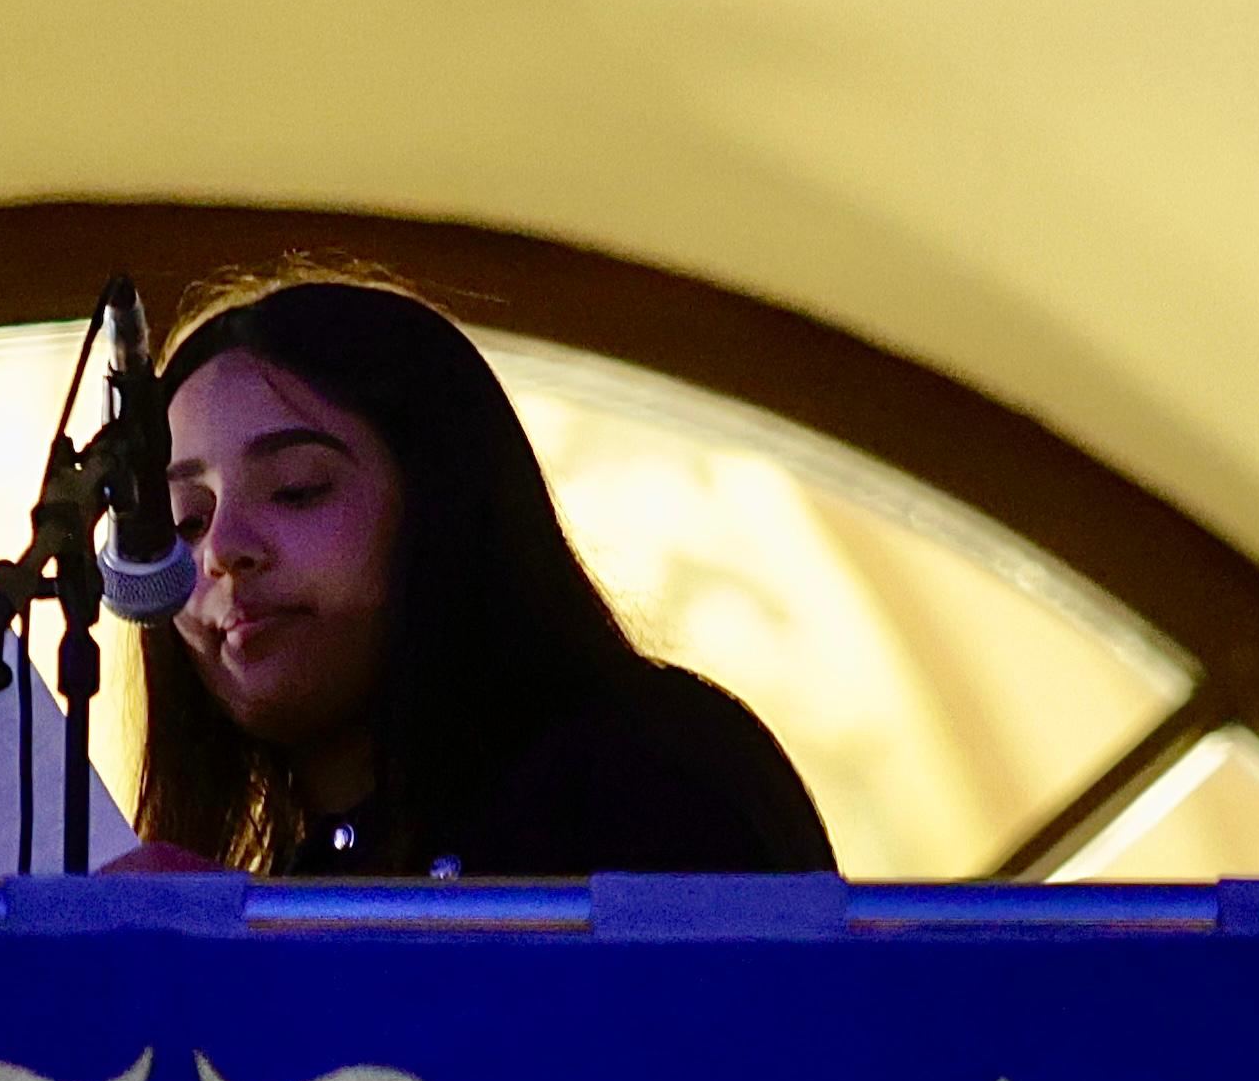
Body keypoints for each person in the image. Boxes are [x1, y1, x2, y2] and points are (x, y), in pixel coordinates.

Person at [115, 273, 838, 879]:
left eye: (298, 489)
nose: (224, 550)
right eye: (185, 520)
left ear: (444, 498)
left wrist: (268, 978)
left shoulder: (650, 769)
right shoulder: (297, 876)